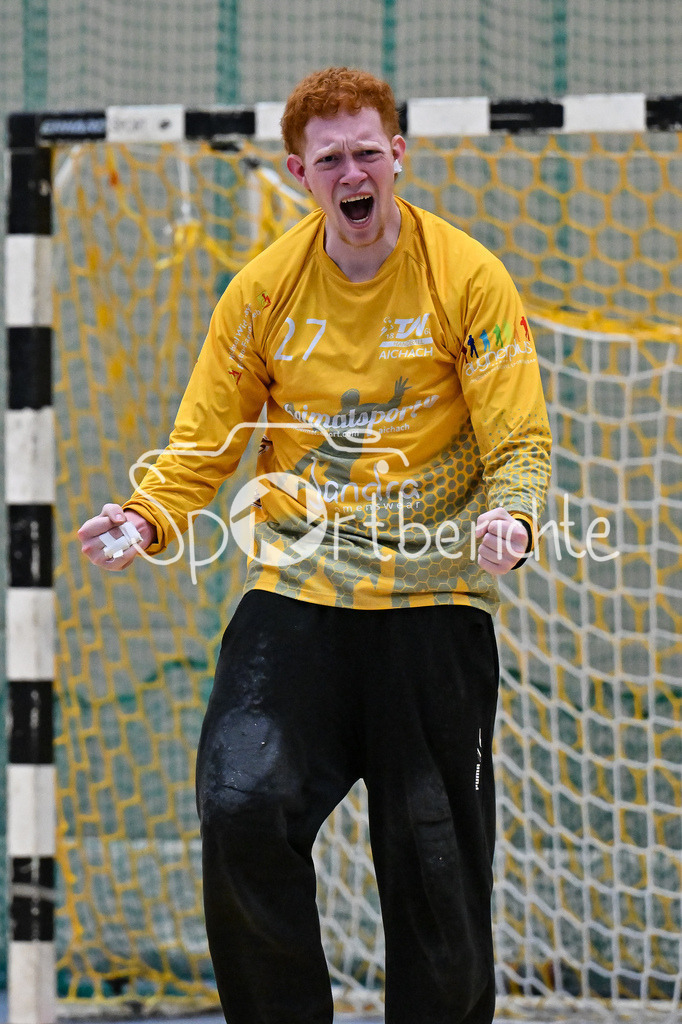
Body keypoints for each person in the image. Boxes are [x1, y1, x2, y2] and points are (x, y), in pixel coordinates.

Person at [79, 67, 551, 1024]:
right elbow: (202, 441)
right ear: (301, 172)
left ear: (398, 156)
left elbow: (518, 435)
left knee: (435, 867)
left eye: (368, 151)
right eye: (330, 158)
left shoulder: (469, 277)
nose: (353, 171)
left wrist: (515, 513)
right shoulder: (262, 292)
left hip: (433, 598)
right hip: (298, 591)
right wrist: (146, 516)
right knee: (242, 800)